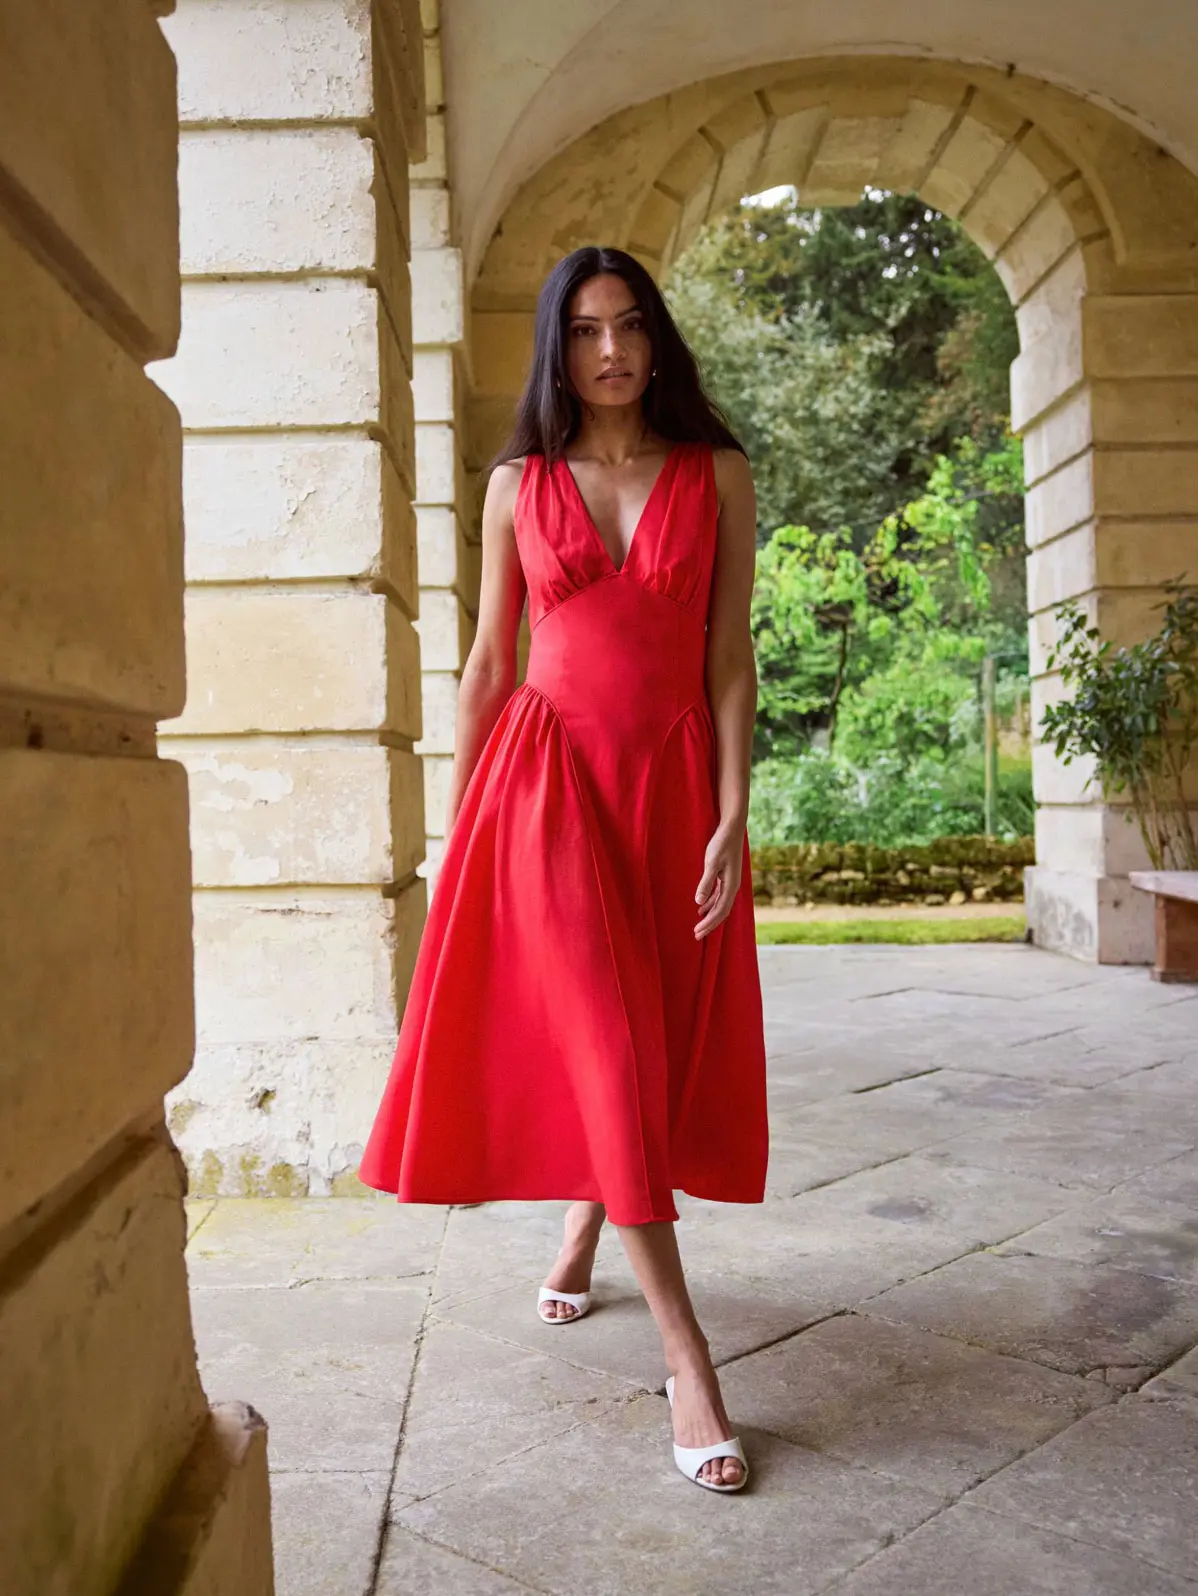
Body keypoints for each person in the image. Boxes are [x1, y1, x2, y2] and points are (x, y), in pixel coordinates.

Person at [359, 245, 769, 1492]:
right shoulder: (515, 484)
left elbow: (729, 650)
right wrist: (453, 821)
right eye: (585, 330)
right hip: (542, 790)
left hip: (671, 786)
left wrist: (734, 806)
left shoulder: (719, 473)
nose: (609, 351)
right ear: (557, 345)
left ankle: (590, 1216)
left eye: (630, 326)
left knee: (648, 1031)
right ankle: (687, 1357)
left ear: (657, 341)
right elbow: (491, 662)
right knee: (600, 1030)